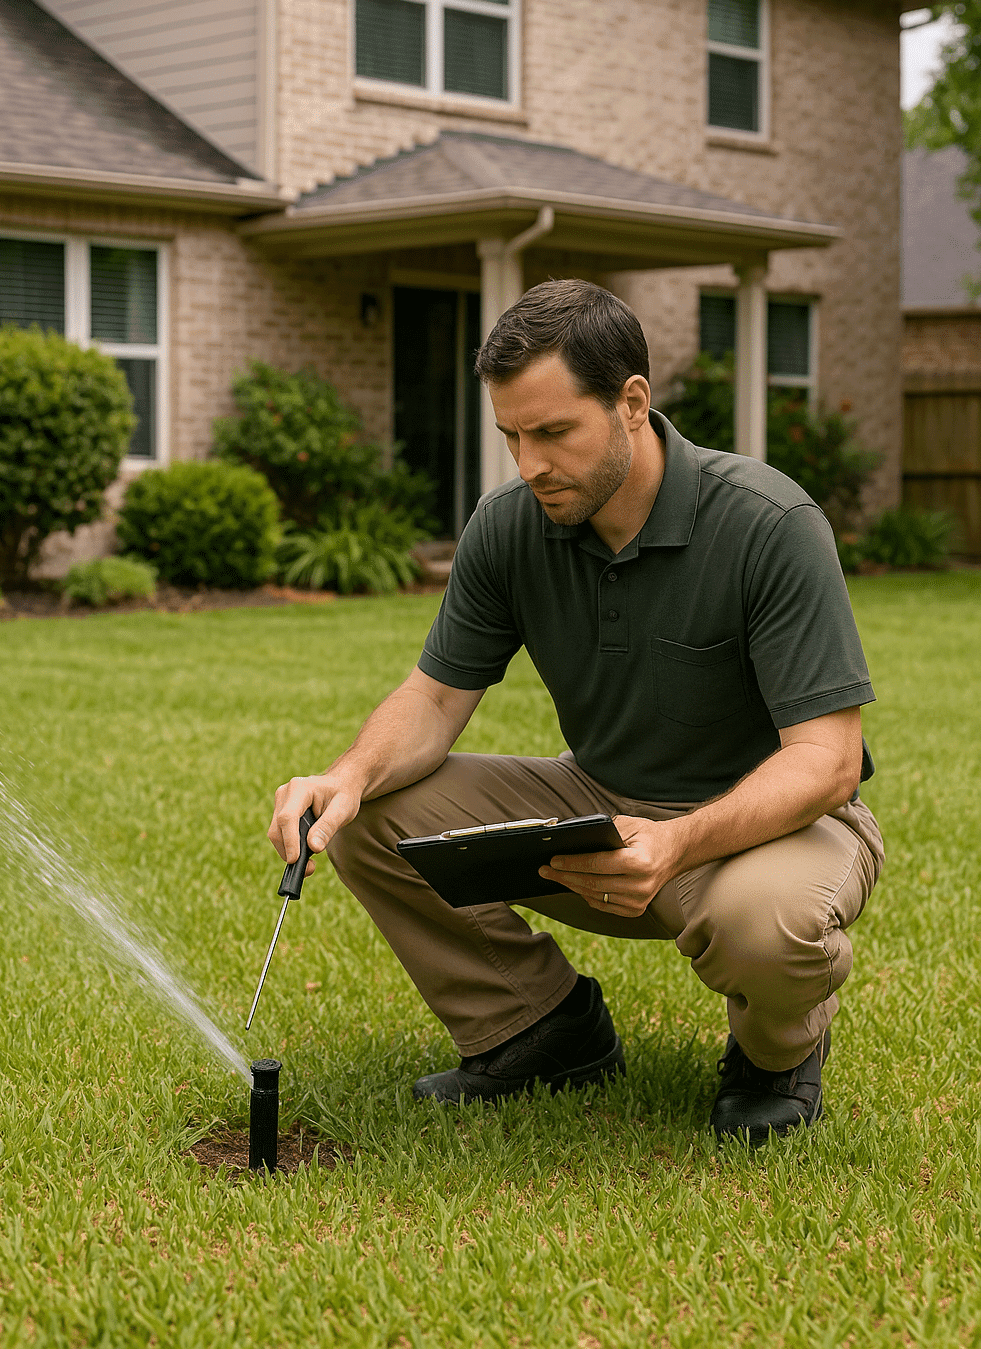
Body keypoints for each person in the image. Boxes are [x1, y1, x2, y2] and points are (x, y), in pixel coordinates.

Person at [267, 279, 883, 1145]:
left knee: (763, 922)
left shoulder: (768, 523)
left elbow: (825, 761)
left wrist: (673, 842)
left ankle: (776, 1055)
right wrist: (345, 777)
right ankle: (541, 1030)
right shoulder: (510, 526)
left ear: (633, 402)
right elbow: (436, 699)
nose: (529, 465)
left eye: (553, 432)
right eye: (511, 435)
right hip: (600, 811)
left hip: (772, 827)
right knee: (368, 816)